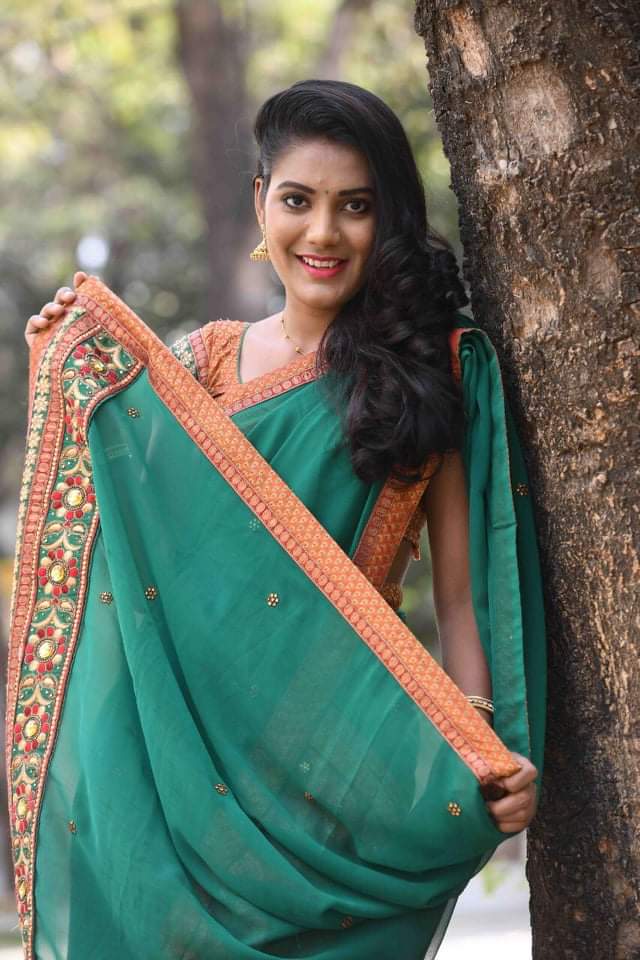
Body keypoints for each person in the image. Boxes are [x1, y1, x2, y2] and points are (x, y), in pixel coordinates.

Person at [13, 79, 545, 959]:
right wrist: (68, 364)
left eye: (355, 206)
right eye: (298, 200)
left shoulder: (433, 372)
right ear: (261, 202)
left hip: (339, 786)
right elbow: (128, 557)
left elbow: (459, 600)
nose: (323, 232)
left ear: (389, 219)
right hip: (184, 775)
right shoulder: (197, 368)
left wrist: (479, 745)